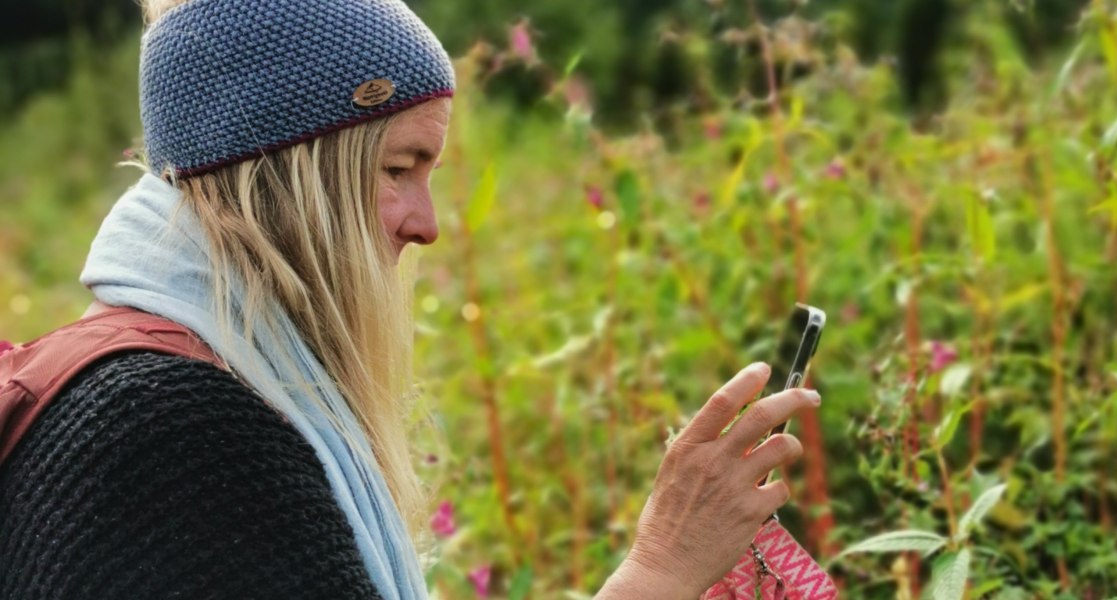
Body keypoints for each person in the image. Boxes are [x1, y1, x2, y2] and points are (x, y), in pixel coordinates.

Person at [0, 0, 822, 598]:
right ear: (298, 167)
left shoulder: (139, 373)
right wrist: (661, 569)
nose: (424, 224)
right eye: (398, 168)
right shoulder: (181, 429)